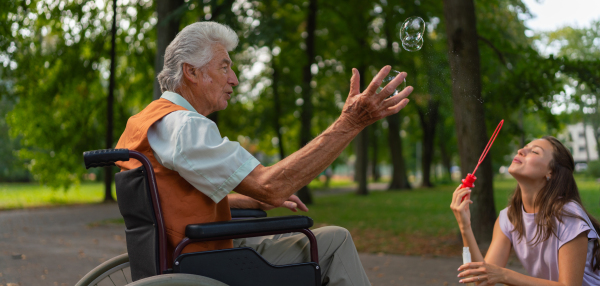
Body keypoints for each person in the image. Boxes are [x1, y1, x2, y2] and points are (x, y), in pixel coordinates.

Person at [114, 21, 412, 285]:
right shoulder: (186, 126)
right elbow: (271, 186)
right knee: (335, 241)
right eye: (224, 67)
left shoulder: (146, 122)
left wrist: (246, 198)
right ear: (191, 72)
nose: (234, 79)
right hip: (204, 260)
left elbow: (165, 200)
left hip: (176, 255)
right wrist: (351, 122)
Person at [450, 136, 600, 285]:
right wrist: (465, 226)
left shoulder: (567, 215)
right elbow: (482, 281)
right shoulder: (509, 218)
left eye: (535, 152)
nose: (521, 150)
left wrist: (504, 275)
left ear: (551, 172)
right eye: (524, 148)